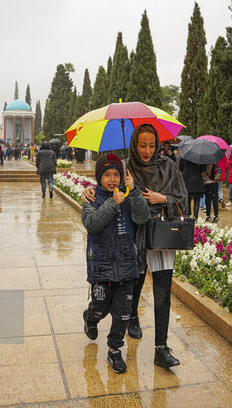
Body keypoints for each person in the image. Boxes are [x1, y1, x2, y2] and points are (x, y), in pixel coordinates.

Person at [82, 124, 188, 369]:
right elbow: (104, 184)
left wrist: (164, 199)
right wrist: (89, 190)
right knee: (131, 292)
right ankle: (132, 317)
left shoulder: (168, 166)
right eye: (142, 145)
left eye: (152, 145)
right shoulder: (124, 166)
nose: (148, 150)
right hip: (133, 241)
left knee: (162, 295)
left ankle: (161, 348)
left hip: (162, 237)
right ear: (134, 144)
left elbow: (183, 199)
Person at [82, 153, 150, 374]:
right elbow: (92, 224)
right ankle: (90, 318)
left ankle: (114, 351)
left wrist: (135, 191)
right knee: (100, 308)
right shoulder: (91, 198)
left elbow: (142, 217)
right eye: (107, 174)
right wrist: (113, 202)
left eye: (117, 174)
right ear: (99, 177)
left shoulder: (129, 196)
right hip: (101, 267)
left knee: (123, 313)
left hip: (127, 266)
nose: (112, 179)